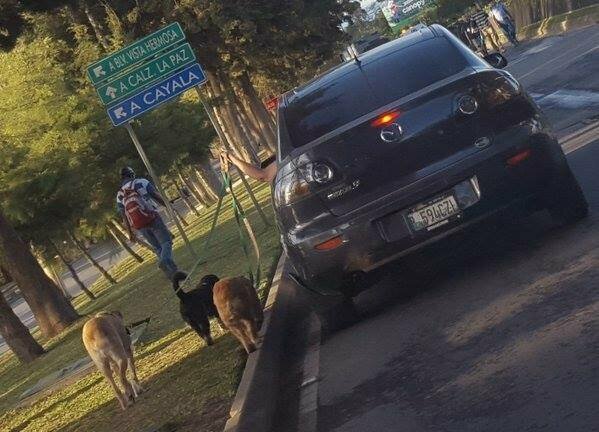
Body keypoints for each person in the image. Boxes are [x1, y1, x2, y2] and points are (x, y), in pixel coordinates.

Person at [116, 166, 179, 280]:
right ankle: (165, 261)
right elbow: (156, 195)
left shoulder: (119, 195)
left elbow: (124, 216)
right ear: (132, 174)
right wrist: (168, 205)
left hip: (139, 225)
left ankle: (173, 274)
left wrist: (130, 233)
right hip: (152, 217)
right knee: (166, 242)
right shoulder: (141, 182)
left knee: (157, 248)